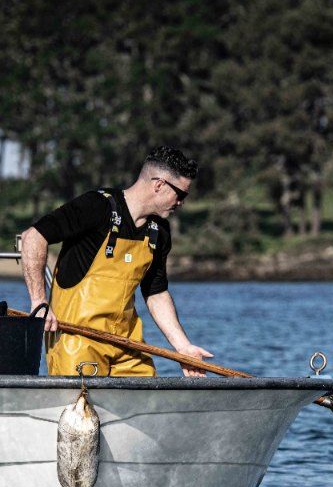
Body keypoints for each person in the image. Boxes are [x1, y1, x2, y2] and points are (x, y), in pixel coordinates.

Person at [21, 146, 213, 377]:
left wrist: (183, 348)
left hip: (127, 343)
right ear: (159, 185)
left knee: (149, 400)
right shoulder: (97, 206)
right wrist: (39, 303)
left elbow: (156, 293)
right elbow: (33, 237)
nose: (181, 203)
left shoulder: (159, 230)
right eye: (180, 194)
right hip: (76, 340)